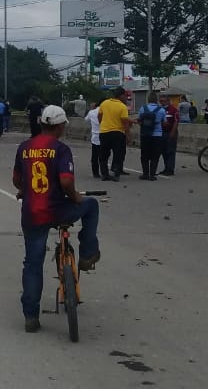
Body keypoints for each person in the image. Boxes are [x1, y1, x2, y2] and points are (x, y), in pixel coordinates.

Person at [13, 105, 100, 333]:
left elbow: (16, 179)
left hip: (32, 214)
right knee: (91, 206)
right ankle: (88, 254)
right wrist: (76, 197)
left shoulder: (24, 147)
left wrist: (24, 190)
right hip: (58, 210)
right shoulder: (60, 149)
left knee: (32, 265)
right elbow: (66, 182)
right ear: (59, 126)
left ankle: (30, 316)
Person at [97, 87, 131, 180]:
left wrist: (103, 124)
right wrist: (128, 135)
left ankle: (105, 174)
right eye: (125, 96)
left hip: (104, 132)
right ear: (121, 95)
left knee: (103, 154)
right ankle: (116, 174)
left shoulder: (104, 103)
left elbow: (99, 116)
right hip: (118, 133)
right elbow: (125, 122)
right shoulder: (122, 107)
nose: (126, 98)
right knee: (118, 154)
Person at [137, 92, 166, 180]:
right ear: (156, 100)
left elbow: (139, 120)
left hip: (145, 135)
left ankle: (145, 174)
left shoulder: (143, 108)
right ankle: (152, 175)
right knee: (155, 156)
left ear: (148, 99)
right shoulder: (161, 110)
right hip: (157, 135)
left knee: (144, 155)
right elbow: (164, 122)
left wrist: (144, 126)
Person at [85, 103, 108, 180]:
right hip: (104, 136)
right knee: (104, 156)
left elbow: (86, 119)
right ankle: (104, 172)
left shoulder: (91, 112)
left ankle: (96, 173)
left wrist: (91, 110)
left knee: (95, 156)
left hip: (95, 137)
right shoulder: (106, 111)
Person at [160, 98, 179, 176]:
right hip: (162, 133)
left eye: (163, 101)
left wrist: (172, 132)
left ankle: (170, 169)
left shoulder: (173, 110)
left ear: (168, 101)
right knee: (164, 151)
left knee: (170, 152)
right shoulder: (161, 110)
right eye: (160, 101)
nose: (162, 103)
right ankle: (166, 168)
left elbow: (176, 121)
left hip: (171, 133)